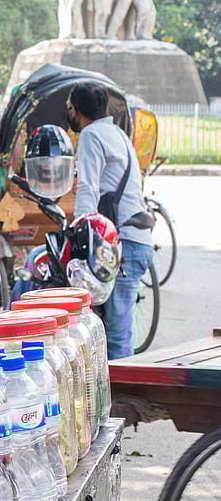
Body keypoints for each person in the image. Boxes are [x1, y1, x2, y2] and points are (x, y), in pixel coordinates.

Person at [66, 81, 153, 359]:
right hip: (137, 239)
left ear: (77, 110)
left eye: (69, 108)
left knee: (115, 338)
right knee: (119, 331)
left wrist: (78, 228)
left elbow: (89, 188)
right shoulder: (118, 133)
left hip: (121, 245)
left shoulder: (91, 134)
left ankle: (124, 397)